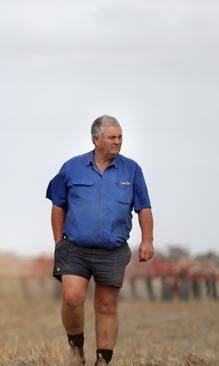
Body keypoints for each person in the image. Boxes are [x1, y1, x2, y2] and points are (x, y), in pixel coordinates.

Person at [45, 115, 154, 366]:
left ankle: (103, 361)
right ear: (96, 139)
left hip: (112, 250)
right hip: (74, 248)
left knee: (106, 305)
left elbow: (144, 208)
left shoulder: (132, 170)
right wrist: (58, 241)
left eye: (120, 137)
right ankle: (76, 348)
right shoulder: (71, 168)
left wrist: (147, 240)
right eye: (112, 137)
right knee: (72, 297)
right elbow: (58, 205)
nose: (118, 142)